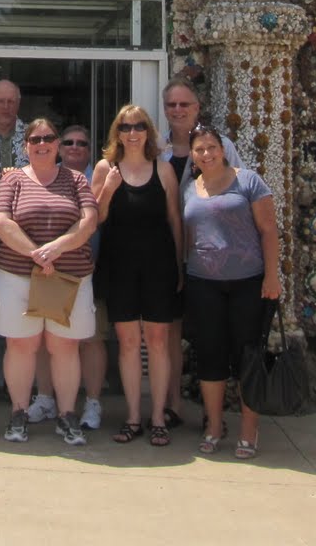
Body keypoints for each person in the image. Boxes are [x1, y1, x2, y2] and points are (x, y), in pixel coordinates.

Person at [0, 117, 99, 446]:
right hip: (16, 276)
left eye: (49, 137)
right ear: (26, 146)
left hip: (68, 277)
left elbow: (89, 221)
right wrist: (36, 253)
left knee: (64, 347)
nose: (42, 143)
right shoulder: (13, 181)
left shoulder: (77, 179)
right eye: (35, 139)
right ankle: (19, 412)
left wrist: (57, 248)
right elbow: (0, 220)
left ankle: (67, 415)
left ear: (57, 144)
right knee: (21, 346)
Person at [182, 124, 281, 460]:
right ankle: (213, 425)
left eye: (211, 147)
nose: (206, 154)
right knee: (209, 355)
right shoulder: (189, 188)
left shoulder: (249, 181)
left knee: (247, 356)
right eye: (199, 149)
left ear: (222, 149)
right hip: (203, 283)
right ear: (192, 155)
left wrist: (272, 276)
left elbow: (269, 231)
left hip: (247, 283)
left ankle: (249, 429)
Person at [93, 104, 183, 446]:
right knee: (128, 344)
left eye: (139, 127)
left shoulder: (163, 170)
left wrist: (180, 266)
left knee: (158, 342)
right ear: (118, 132)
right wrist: (109, 189)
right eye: (126, 127)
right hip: (120, 267)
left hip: (159, 266)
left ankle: (158, 416)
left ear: (148, 132)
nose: (133, 133)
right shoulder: (106, 168)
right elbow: (96, 217)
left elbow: (175, 220)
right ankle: (133, 417)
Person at [156, 76, 241, 426]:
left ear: (198, 108)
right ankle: (172, 405)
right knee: (170, 333)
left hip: (211, 257)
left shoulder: (221, 148)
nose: (177, 111)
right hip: (169, 254)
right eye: (171, 105)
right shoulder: (156, 151)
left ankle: (212, 412)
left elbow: (239, 194)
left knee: (211, 334)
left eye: (184, 104)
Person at [26, 124, 107, 430]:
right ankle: (45, 398)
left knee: (90, 339)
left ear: (90, 149)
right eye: (69, 142)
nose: (75, 147)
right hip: (47, 272)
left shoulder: (98, 177)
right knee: (47, 339)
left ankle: (93, 402)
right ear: (59, 147)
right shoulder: (45, 176)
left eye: (82, 143)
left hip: (89, 271)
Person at [0, 79, 27, 171]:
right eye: (0, 101)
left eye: (11, 101)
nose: (6, 106)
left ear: (18, 103)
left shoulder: (33, 136)